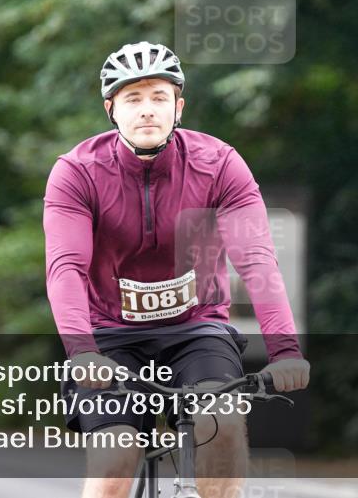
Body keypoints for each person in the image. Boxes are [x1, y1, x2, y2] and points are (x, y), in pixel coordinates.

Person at [44, 41, 310, 498]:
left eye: (159, 97)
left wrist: (285, 350)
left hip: (196, 330)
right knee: (115, 456)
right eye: (133, 98)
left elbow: (256, 260)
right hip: (108, 336)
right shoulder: (77, 172)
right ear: (111, 109)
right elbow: (66, 266)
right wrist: (81, 349)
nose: (147, 110)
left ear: (178, 106)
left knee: (221, 422)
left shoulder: (220, 164)